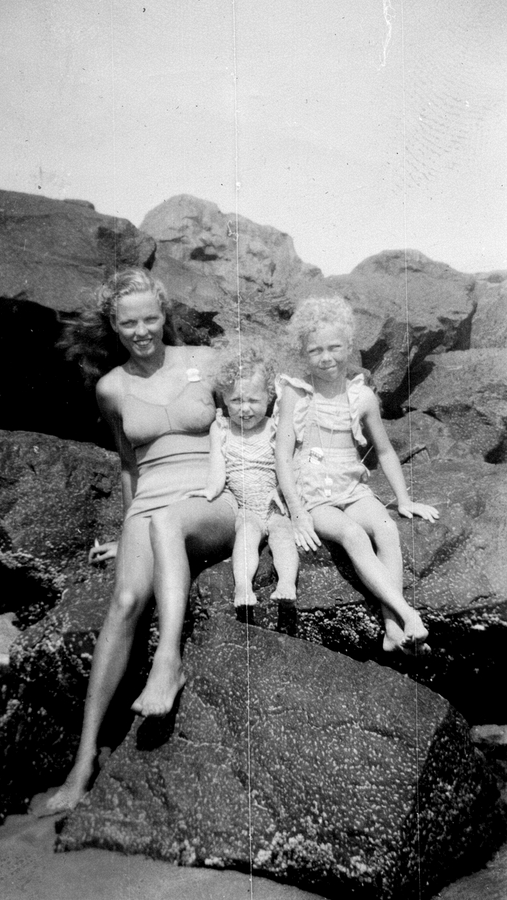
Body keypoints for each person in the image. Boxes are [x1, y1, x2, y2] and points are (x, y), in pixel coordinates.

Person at [43, 267, 237, 814]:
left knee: (169, 520)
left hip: (212, 496)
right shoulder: (111, 387)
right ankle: (83, 762)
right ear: (114, 324)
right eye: (129, 323)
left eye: (151, 318)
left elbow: (251, 423)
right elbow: (129, 464)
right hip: (151, 504)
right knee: (125, 600)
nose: (142, 331)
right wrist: (130, 531)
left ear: (164, 314)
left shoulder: (206, 361)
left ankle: (167, 662)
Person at [274, 295, 439, 655]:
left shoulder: (361, 396)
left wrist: (404, 499)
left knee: (387, 528)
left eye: (334, 347)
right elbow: (283, 456)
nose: (326, 357)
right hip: (313, 492)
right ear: (303, 352)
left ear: (349, 346)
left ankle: (392, 629)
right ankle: (408, 614)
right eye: (315, 350)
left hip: (352, 486)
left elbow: (385, 451)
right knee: (352, 534)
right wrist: (297, 511)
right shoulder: (295, 393)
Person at [188, 340, 298, 607]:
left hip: (275, 506)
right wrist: (210, 491)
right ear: (224, 398)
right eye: (236, 400)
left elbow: (290, 465)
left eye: (253, 400)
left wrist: (282, 490)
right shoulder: (222, 428)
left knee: (283, 534)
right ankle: (243, 587)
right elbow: (217, 468)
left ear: (269, 397)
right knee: (245, 535)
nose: (244, 408)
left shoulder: (275, 427)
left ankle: (286, 583)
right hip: (246, 508)